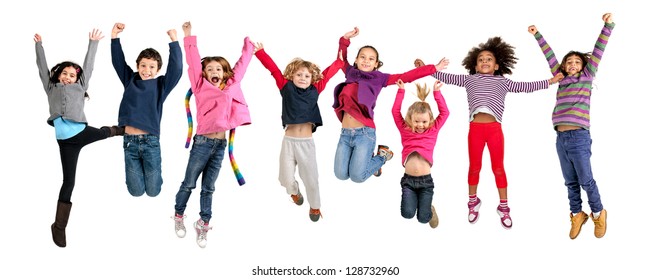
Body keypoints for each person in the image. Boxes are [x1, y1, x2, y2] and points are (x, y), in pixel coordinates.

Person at [415, 37, 563, 229]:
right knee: (474, 167)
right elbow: (446, 77)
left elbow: (526, 87)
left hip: (494, 130)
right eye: (481, 59)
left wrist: (550, 81)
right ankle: (472, 201)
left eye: (489, 59)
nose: (485, 61)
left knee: (498, 168)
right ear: (475, 66)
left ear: (496, 65)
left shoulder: (503, 82)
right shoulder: (469, 79)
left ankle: (504, 206)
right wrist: (424, 68)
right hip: (475, 130)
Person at [528, 13, 615, 239]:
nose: (573, 64)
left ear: (584, 66)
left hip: (578, 137)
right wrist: (537, 35)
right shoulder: (561, 78)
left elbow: (599, 50)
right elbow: (549, 55)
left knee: (586, 179)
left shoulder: (586, 77)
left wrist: (607, 26)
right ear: (564, 67)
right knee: (570, 180)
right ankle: (577, 214)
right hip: (561, 139)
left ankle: (598, 211)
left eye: (577, 61)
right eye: (569, 62)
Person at [35, 29, 124, 247]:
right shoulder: (51, 87)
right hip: (66, 143)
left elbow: (89, 66)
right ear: (58, 75)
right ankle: (59, 226)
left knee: (104, 133)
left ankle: (120, 129)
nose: (67, 77)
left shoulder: (80, 86)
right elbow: (41, 68)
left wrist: (93, 43)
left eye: (72, 75)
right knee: (69, 181)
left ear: (77, 78)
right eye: (64, 73)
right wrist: (39, 46)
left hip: (81, 133)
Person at [172, 22, 255, 248]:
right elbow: (192, 62)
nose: (214, 72)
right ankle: (178, 215)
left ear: (224, 72)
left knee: (209, 187)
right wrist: (189, 37)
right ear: (204, 74)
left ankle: (203, 223)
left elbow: (242, 66)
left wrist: (249, 47)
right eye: (210, 69)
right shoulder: (200, 86)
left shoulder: (231, 85)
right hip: (202, 143)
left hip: (220, 145)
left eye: (218, 69)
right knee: (189, 183)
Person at [333, 27, 448, 183]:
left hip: (364, 133)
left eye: (371, 59)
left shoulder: (379, 78)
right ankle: (368, 160)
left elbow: (405, 77)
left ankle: (382, 156)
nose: (366, 61)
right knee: (341, 175)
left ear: (376, 64)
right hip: (345, 133)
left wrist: (433, 68)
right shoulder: (350, 72)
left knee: (357, 177)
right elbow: (341, 59)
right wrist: (344, 40)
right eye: (362, 57)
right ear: (356, 60)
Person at [254, 41, 345, 222]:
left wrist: (339, 63)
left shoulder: (315, 89)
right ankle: (294, 192)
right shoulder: (285, 87)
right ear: (291, 76)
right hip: (288, 142)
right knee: (284, 178)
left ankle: (315, 206)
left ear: (312, 79)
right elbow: (273, 70)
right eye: (299, 74)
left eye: (307, 75)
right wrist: (261, 53)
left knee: (311, 179)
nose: (303, 78)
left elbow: (327, 75)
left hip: (306, 144)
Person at [111, 22, 183, 198]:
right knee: (135, 192)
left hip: (151, 142)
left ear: (158, 70)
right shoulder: (130, 80)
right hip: (130, 142)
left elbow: (177, 69)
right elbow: (118, 61)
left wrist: (174, 42)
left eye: (152, 67)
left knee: (153, 191)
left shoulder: (161, 86)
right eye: (143, 65)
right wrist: (114, 37)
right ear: (137, 66)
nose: (147, 70)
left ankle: (154, 175)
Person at [392, 79, 449, 228]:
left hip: (426, 182)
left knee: (424, 219)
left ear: (430, 120)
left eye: (424, 122)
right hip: (408, 182)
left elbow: (445, 113)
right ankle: (417, 202)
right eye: (416, 121)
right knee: (407, 214)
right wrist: (401, 91)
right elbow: (395, 112)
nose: (420, 125)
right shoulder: (405, 130)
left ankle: (428, 208)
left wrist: (437, 93)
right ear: (410, 119)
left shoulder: (433, 130)